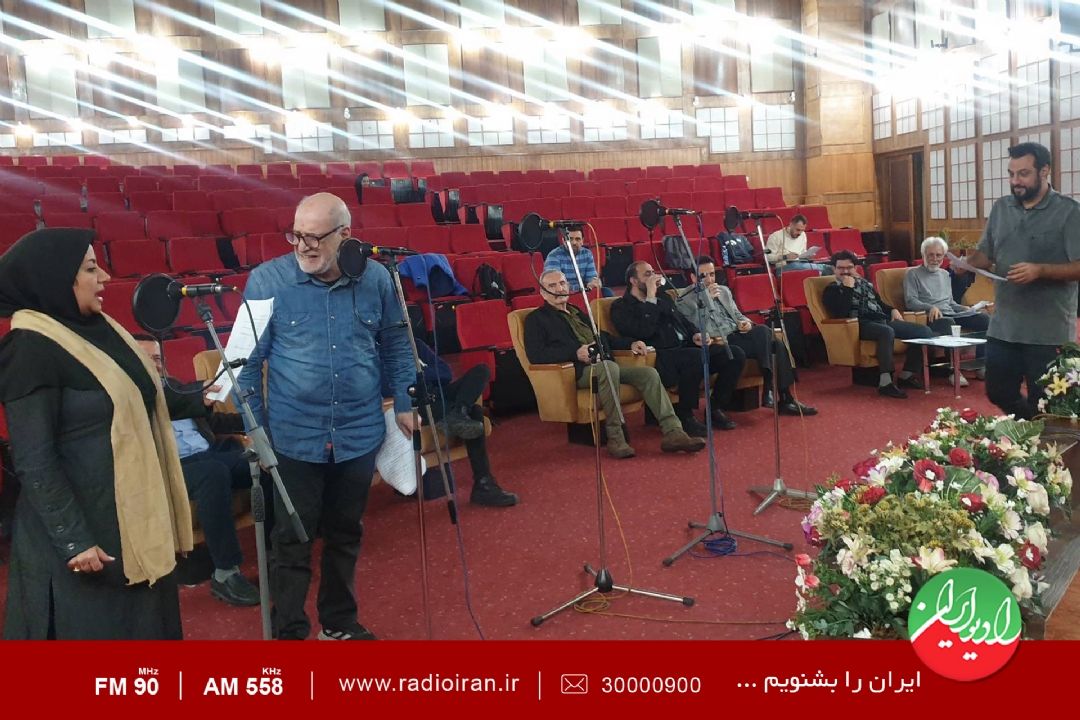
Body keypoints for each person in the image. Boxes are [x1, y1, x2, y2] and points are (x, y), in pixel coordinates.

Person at [236, 192, 414, 640]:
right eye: (297, 236)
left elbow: (396, 344)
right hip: (293, 438)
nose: (304, 247)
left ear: (345, 234)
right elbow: (243, 365)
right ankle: (290, 631)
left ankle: (338, 623)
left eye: (315, 237)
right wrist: (255, 429)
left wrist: (406, 401)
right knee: (291, 540)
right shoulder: (267, 281)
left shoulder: (377, 278)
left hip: (359, 433)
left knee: (345, 534)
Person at [0, 228, 193, 639]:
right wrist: (73, 540)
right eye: (90, 269)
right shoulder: (29, 348)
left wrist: (210, 399)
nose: (104, 277)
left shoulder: (104, 331)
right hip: (86, 535)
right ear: (56, 279)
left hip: (133, 516)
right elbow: (34, 458)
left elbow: (143, 397)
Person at [134, 335, 261, 606]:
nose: (154, 365)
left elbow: (213, 422)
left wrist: (255, 421)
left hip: (208, 454)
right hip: (170, 468)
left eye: (157, 359)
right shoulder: (130, 397)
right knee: (213, 473)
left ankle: (274, 551)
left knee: (260, 461)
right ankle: (226, 573)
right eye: (146, 359)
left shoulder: (176, 387)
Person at [523, 270, 705, 458]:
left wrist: (630, 343)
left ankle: (673, 431)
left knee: (648, 374)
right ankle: (616, 436)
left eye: (562, 283)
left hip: (606, 365)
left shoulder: (577, 312)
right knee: (608, 368)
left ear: (568, 286)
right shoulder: (536, 319)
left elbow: (605, 338)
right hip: (576, 372)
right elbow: (537, 355)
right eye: (552, 286)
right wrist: (575, 353)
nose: (559, 289)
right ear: (543, 293)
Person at [965, 142, 1080, 418]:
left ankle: (1042, 437)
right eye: (1011, 174)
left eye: (1024, 173)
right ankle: (1031, 428)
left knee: (1049, 403)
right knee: (998, 391)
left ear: (1044, 171)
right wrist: (967, 263)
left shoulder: (1069, 212)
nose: (1015, 181)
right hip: (1004, 326)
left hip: (1048, 330)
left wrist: (1040, 270)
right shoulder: (1001, 208)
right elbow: (985, 254)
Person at [611, 262, 743, 432]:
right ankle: (685, 415)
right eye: (647, 274)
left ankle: (715, 408)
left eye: (653, 272)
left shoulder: (663, 297)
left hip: (685, 348)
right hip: (659, 357)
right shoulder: (621, 307)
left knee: (733, 354)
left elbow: (682, 321)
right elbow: (644, 331)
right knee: (695, 357)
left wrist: (695, 334)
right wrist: (650, 298)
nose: (653, 277)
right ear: (633, 281)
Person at [677, 256, 818, 416]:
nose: (709, 280)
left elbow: (737, 314)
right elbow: (699, 329)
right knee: (773, 343)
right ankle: (780, 395)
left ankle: (779, 394)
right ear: (693, 277)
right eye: (703, 276)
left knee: (765, 333)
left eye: (712, 274)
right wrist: (707, 300)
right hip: (720, 341)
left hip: (738, 334)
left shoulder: (723, 291)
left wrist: (746, 323)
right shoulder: (685, 300)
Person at [414, 338, 518, 507]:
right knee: (475, 412)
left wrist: (419, 374)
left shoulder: (416, 345)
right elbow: (392, 385)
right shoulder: (384, 352)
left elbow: (446, 373)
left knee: (482, 370)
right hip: (417, 403)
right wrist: (424, 375)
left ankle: (458, 413)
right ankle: (484, 484)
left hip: (440, 393)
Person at [823, 250, 936, 399]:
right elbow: (841, 313)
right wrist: (847, 288)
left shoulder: (865, 283)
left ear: (855, 268)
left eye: (849, 267)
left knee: (923, 331)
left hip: (881, 321)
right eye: (840, 268)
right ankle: (885, 382)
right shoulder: (831, 289)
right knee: (886, 331)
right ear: (834, 269)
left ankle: (907, 374)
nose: (845, 271)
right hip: (858, 324)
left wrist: (892, 309)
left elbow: (879, 303)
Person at [903, 236, 991, 387]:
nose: (935, 259)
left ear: (943, 256)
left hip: (951, 312)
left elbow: (950, 302)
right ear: (923, 255)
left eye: (938, 255)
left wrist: (965, 308)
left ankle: (980, 365)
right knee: (949, 323)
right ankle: (953, 371)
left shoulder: (945, 274)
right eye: (930, 255)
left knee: (984, 319)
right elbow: (910, 301)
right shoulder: (912, 274)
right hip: (931, 316)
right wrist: (930, 307)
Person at [542, 224, 612, 296]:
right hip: (563, 294)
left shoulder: (587, 254)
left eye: (577, 239)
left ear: (582, 241)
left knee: (606, 292)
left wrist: (594, 283)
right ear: (563, 240)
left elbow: (591, 279)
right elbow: (556, 285)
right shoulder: (554, 256)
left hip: (584, 292)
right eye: (570, 239)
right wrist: (583, 287)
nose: (574, 243)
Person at [764, 214, 831, 275]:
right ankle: (825, 268)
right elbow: (767, 258)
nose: (800, 233)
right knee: (797, 265)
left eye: (802, 230)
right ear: (791, 225)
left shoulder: (803, 234)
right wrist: (785, 257)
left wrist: (808, 255)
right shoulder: (775, 236)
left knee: (804, 266)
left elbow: (802, 252)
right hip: (783, 267)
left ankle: (827, 270)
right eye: (798, 230)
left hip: (800, 264)